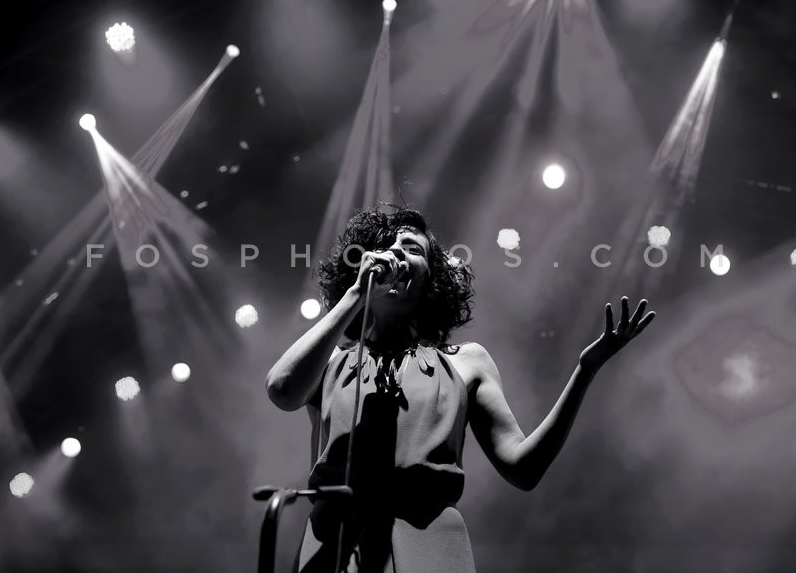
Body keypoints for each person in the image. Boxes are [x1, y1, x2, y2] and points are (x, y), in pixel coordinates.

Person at [265, 207, 655, 573]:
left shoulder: (466, 362)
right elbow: (282, 389)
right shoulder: (331, 359)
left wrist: (586, 370)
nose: (393, 254)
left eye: (411, 248)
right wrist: (357, 295)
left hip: (430, 545)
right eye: (383, 248)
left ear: (431, 281)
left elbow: (524, 469)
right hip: (332, 545)